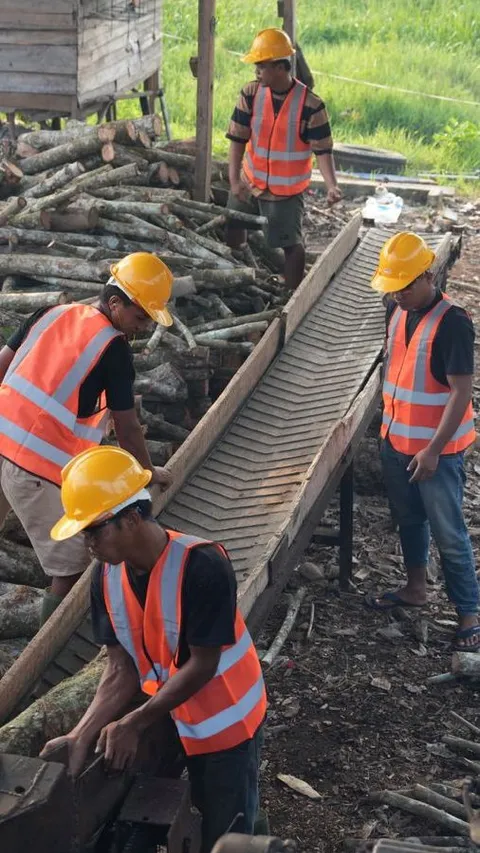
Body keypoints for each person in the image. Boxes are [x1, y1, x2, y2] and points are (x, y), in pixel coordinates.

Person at [40, 445, 267, 853]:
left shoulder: (204, 565)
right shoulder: (106, 578)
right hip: (171, 716)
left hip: (226, 723)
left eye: (94, 529)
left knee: (228, 833)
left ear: (131, 517)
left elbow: (203, 665)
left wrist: (134, 723)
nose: (87, 542)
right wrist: (82, 733)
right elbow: (119, 667)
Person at [0, 252, 174, 623]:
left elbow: (2, 364)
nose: (142, 326)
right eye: (140, 316)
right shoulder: (113, 349)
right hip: (36, 467)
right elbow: (126, 427)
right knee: (71, 566)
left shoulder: (51, 313)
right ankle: (45, 654)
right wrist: (146, 473)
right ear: (115, 303)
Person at [366, 231, 479, 649]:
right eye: (393, 288)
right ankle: (416, 587)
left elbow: (461, 393)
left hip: (437, 454)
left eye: (405, 287)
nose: (398, 296)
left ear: (427, 276)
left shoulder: (453, 323)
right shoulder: (397, 312)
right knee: (409, 518)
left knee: (449, 532)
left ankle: (469, 614)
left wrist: (432, 450)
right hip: (396, 442)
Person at [225, 27, 342, 292]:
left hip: (285, 192)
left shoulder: (311, 105)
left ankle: (291, 295)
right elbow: (236, 138)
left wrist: (332, 185)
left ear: (280, 67)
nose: (256, 71)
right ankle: (236, 274)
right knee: (233, 222)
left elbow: (323, 150)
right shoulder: (250, 94)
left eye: (262, 66)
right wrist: (234, 180)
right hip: (250, 180)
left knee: (290, 243)